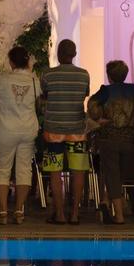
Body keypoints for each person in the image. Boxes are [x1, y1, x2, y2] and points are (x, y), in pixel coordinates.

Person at [41, 39, 91, 225]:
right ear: (74, 54)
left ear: (58, 55)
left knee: (55, 172)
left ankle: (60, 214)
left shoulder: (47, 75)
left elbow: (45, 96)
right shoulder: (84, 75)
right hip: (77, 130)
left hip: (53, 131)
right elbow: (85, 94)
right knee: (78, 171)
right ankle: (75, 214)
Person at [87, 60, 134, 224]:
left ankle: (119, 215)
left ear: (109, 76)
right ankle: (105, 201)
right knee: (121, 173)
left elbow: (92, 106)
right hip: (130, 138)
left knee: (112, 174)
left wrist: (99, 118)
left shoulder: (106, 91)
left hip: (109, 138)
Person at [0, 46, 41, 225]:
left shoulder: (3, 79)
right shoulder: (34, 81)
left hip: (6, 128)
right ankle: (19, 210)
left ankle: (4, 211)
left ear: (11, 62)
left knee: (3, 170)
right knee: (24, 170)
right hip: (28, 129)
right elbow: (37, 103)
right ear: (27, 61)